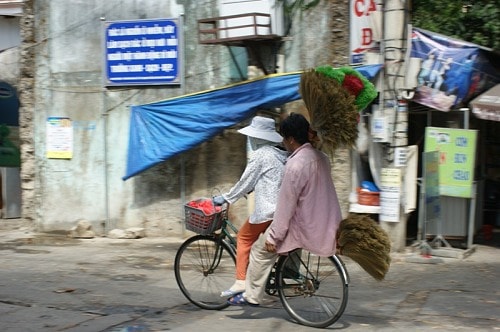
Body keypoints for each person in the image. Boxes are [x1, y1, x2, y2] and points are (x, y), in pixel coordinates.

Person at [227, 112, 342, 306]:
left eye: (284, 138)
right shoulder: (322, 157)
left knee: (259, 250)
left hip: (302, 224)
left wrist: (274, 236)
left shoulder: (295, 164)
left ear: (290, 139)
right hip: (325, 222)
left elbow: (286, 204)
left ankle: (253, 296)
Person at [213, 115, 289, 297]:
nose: (250, 140)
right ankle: (275, 275)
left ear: (257, 137)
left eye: (252, 136)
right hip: (283, 210)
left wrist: (226, 197)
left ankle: (240, 281)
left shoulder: (261, 155)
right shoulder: (280, 153)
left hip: (268, 211)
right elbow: (269, 178)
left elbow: (245, 182)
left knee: (243, 238)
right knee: (264, 243)